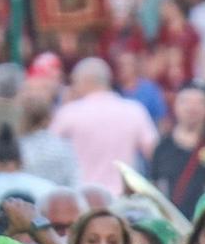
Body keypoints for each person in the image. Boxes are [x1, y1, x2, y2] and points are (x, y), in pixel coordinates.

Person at [49, 58, 158, 197]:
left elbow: (49, 151)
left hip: (82, 197)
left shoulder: (69, 113)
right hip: (123, 198)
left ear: (85, 82)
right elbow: (154, 153)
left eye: (74, 83)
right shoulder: (134, 110)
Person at [149, 87, 205, 216]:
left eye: (199, 103)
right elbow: (155, 185)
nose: (192, 108)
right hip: (172, 223)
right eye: (186, 102)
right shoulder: (162, 146)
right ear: (175, 106)